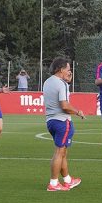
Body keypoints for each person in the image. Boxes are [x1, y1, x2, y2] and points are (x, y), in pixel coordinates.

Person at [43, 57, 85, 191]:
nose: (70, 72)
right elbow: (64, 105)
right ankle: (53, 183)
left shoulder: (48, 82)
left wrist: (68, 79)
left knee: (63, 153)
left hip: (51, 121)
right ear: (61, 70)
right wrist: (78, 112)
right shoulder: (62, 84)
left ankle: (67, 180)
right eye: (68, 70)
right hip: (62, 121)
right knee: (59, 152)